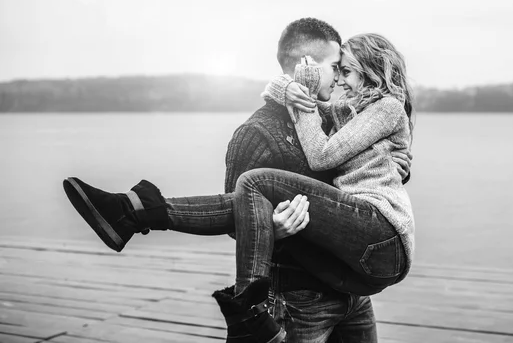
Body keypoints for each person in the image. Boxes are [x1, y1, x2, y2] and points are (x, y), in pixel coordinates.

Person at [63, 19, 414, 343]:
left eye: (345, 70)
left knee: (256, 183)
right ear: (307, 65)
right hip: (300, 299)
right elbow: (240, 218)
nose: (339, 79)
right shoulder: (256, 135)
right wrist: (272, 229)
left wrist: (394, 158)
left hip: (349, 286)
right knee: (253, 186)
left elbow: (360, 163)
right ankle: (141, 215)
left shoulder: (333, 116)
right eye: (336, 69)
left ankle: (135, 210)